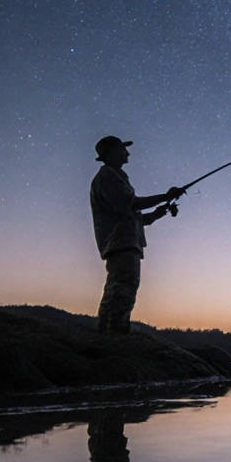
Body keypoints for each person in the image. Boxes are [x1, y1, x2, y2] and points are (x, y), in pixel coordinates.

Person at [90, 136, 185, 335]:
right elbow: (131, 203)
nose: (128, 153)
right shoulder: (107, 176)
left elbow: (134, 217)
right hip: (120, 244)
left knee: (115, 288)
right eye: (123, 149)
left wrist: (157, 213)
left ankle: (105, 334)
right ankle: (116, 334)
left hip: (123, 243)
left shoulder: (115, 177)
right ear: (112, 152)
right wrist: (165, 196)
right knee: (124, 288)